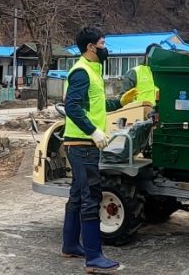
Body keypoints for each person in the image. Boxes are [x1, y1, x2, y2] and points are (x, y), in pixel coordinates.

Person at [61, 26, 137, 274]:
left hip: (82, 143)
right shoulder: (82, 72)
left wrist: (120, 102)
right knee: (91, 197)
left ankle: (71, 245)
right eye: (103, 44)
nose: (107, 49)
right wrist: (93, 131)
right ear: (91, 47)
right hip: (82, 144)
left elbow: (94, 104)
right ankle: (94, 257)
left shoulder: (93, 71)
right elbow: (72, 106)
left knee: (77, 195)